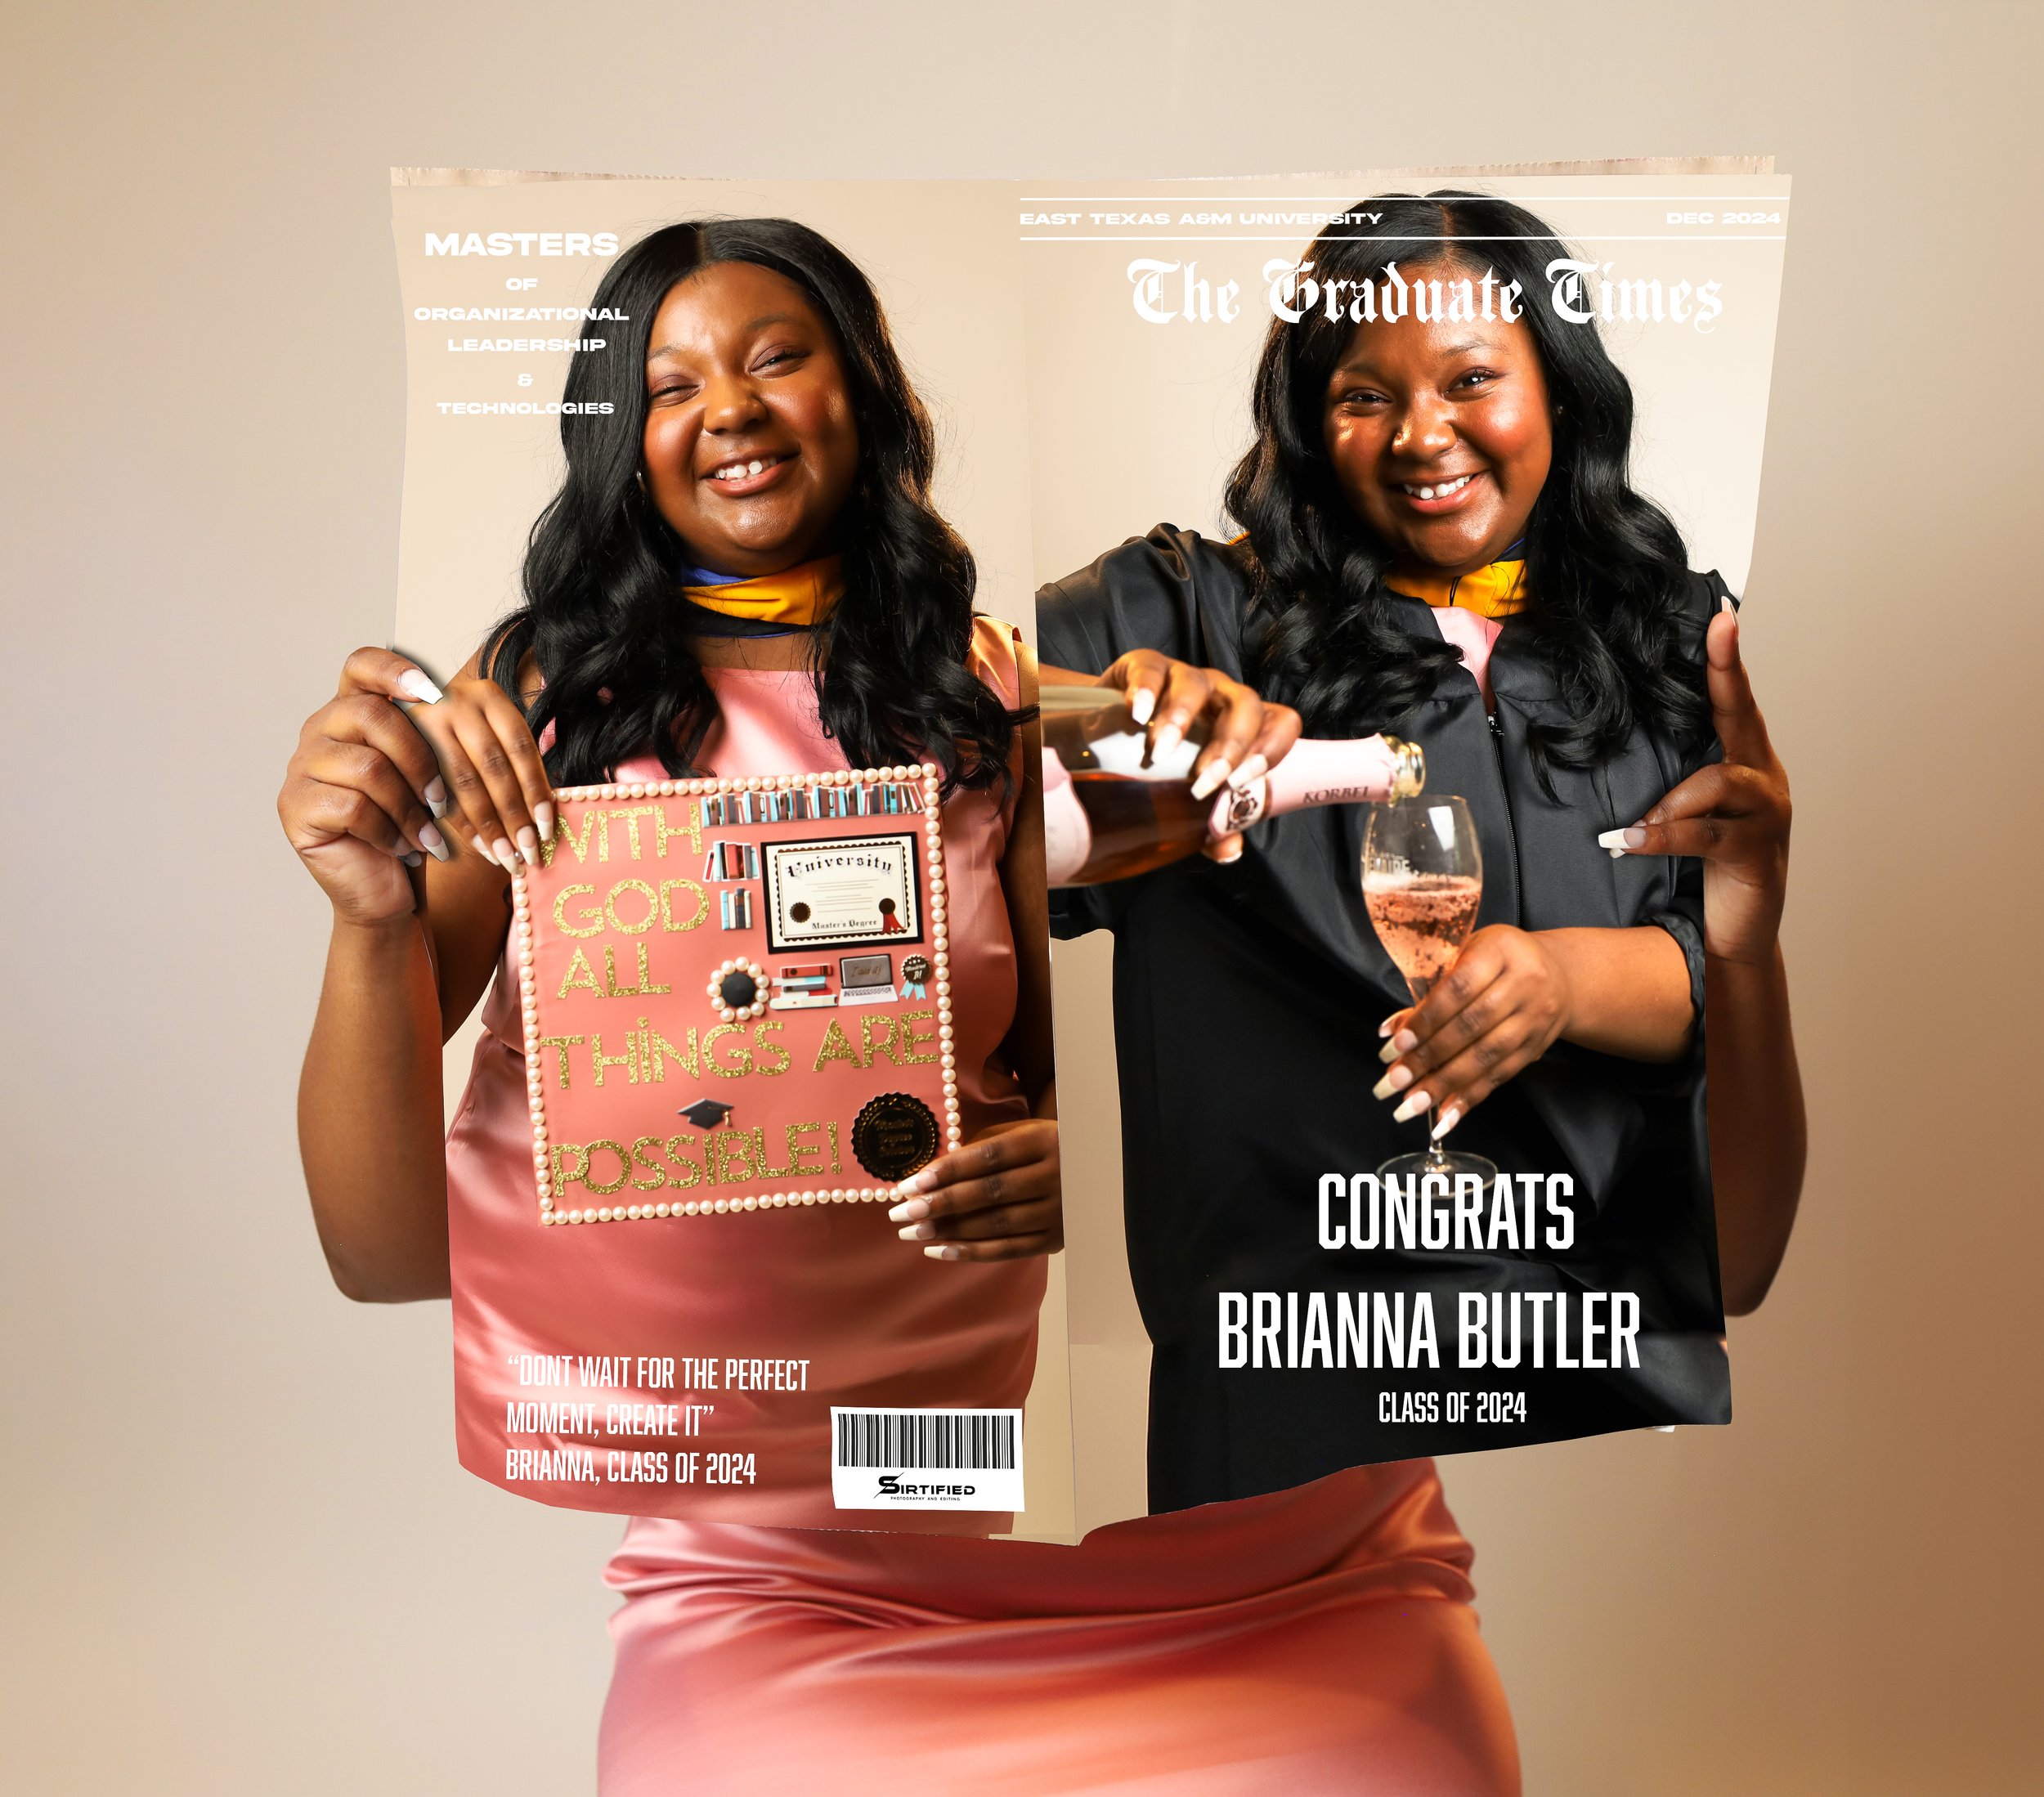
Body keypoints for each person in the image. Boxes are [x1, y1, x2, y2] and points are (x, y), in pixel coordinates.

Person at [280, 218, 1521, 1793]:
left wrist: (1070, 1149)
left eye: (776, 355)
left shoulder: (1008, 693)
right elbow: (385, 1259)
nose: (728, 404)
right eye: (668, 382)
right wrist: (369, 918)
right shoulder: (538, 714)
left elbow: (1223, 1056)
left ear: (863, 396)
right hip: (794, 1578)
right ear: (618, 446)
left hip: (1225, 1535)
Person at [1036, 191, 1805, 1512]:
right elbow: (923, 766)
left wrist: (1650, 963)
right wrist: (1106, 713)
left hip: (1606, 1440)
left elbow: (1742, 1258)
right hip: (1291, 1423)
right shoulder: (1192, 616)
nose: (1420, 437)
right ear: (1303, 417)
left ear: (1558, 391)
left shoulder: (1671, 652)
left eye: (1471, 379)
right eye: (1360, 393)